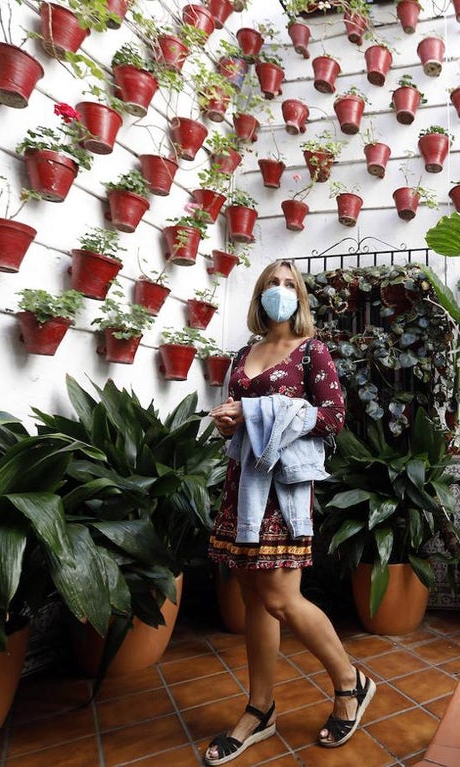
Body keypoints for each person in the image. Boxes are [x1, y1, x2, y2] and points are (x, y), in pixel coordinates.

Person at [204, 260, 373, 766]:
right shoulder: (243, 353)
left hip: (281, 490)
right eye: (271, 284)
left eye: (288, 285)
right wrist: (228, 421)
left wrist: (257, 410)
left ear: (300, 297)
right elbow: (235, 421)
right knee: (255, 597)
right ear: (259, 296)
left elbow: (333, 417)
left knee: (280, 596)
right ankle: (260, 709)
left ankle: (351, 682)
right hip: (242, 486)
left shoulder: (311, 352)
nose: (280, 291)